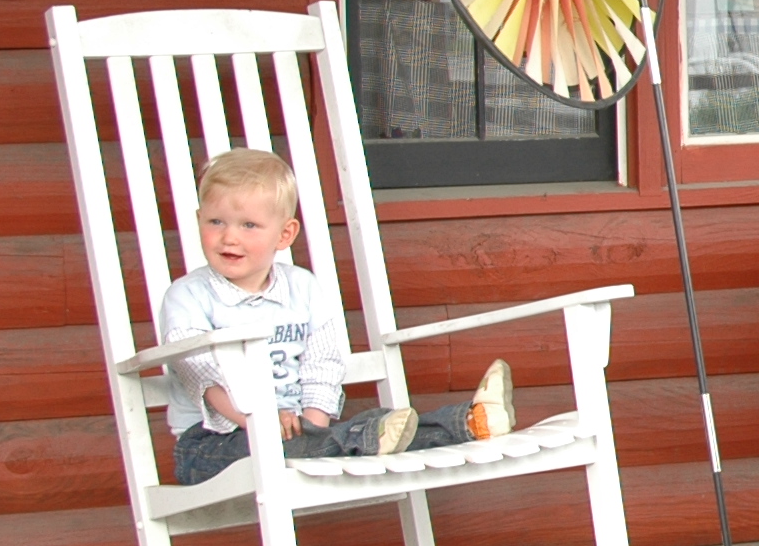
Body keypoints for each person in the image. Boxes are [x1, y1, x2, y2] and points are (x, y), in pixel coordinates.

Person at [161, 148, 513, 487]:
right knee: (352, 438)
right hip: (212, 445)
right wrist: (260, 422)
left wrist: (313, 425)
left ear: (284, 234)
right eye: (216, 221)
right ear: (199, 220)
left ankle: (472, 422)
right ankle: (407, 430)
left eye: (249, 225)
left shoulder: (302, 288)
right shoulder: (187, 297)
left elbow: (322, 364)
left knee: (354, 438)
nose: (229, 237)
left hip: (298, 434)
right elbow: (203, 374)